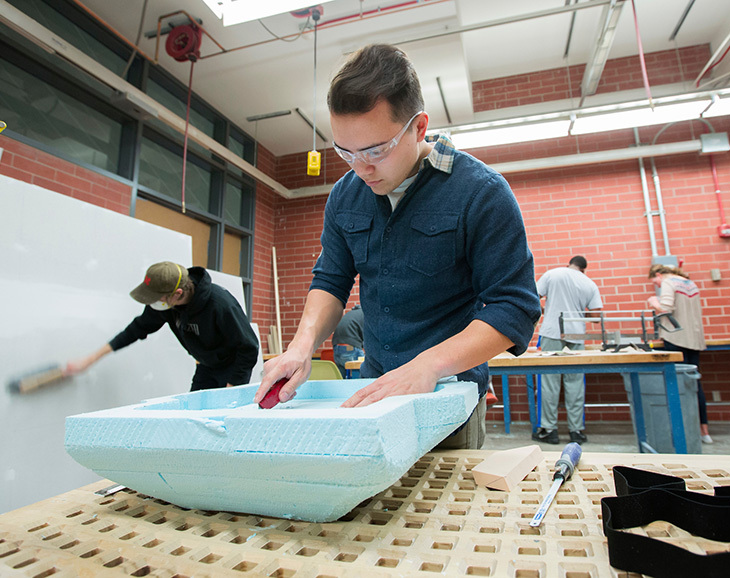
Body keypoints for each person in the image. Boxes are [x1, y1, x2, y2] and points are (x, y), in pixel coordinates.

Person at [254, 43, 540, 449]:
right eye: (345, 152)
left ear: (419, 128)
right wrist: (301, 348)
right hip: (375, 389)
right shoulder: (345, 196)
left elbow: (515, 308)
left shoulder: (481, 193)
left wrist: (429, 366)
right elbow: (332, 281)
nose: (360, 167)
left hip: (448, 397)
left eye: (375, 150)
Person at [66, 261, 259, 391]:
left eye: (156, 298)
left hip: (233, 368)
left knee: (223, 422)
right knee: (193, 418)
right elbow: (136, 329)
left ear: (178, 293)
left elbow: (249, 346)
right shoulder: (167, 306)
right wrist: (89, 360)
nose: (153, 303)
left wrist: (232, 387)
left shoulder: (221, 304)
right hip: (207, 366)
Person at [533, 256, 603, 444]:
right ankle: (576, 431)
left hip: (552, 333)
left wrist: (546, 311)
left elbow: (532, 298)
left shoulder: (552, 274)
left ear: (569, 264)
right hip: (577, 335)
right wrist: (578, 313)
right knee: (575, 384)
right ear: (583, 269)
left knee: (549, 382)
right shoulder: (589, 283)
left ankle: (549, 430)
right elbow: (596, 317)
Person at [646, 263, 712, 443]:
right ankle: (703, 431)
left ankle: (679, 431)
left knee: (676, 384)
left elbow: (666, 308)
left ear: (659, 275)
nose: (658, 285)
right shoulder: (690, 283)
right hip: (694, 339)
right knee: (694, 384)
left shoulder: (668, 282)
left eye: (656, 282)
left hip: (676, 339)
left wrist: (654, 302)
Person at [332, 304, 364, 376]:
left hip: (337, 348)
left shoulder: (352, 313)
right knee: (361, 378)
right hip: (351, 348)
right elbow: (368, 337)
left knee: (342, 380)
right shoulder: (364, 314)